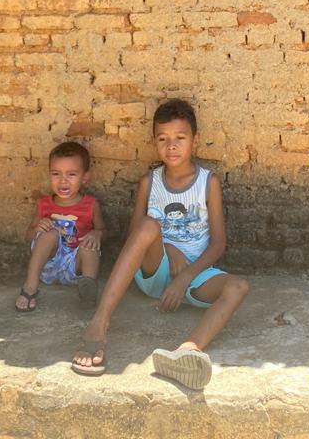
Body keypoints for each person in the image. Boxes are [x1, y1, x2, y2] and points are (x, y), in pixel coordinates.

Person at [71, 99, 250, 389]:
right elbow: (135, 236)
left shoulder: (208, 182)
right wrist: (169, 249)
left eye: (180, 138)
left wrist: (185, 278)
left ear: (195, 140)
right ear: (154, 141)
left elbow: (218, 244)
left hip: (194, 275)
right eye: (163, 139)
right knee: (148, 225)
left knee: (238, 286)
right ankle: (99, 323)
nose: (171, 146)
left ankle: (187, 351)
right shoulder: (150, 182)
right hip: (155, 269)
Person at [15, 141, 104, 311]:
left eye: (71, 174)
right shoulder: (44, 204)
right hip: (48, 266)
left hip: (75, 268)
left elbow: (103, 231)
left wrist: (97, 233)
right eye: (56, 174)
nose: (63, 181)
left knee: (90, 247)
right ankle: (30, 286)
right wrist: (37, 229)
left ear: (85, 177)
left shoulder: (91, 205)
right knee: (50, 234)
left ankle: (88, 292)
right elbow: (28, 236)